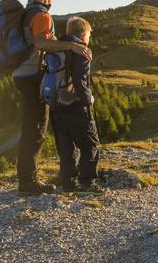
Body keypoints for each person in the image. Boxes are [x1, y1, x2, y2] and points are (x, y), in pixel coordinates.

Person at [13, 0, 92, 195]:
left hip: (22, 74)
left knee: (32, 126)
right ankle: (28, 182)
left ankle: (27, 178)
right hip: (32, 76)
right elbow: (41, 43)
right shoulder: (41, 15)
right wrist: (72, 46)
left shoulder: (26, 12)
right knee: (36, 128)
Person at [50, 16, 102, 194]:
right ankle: (87, 184)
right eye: (88, 35)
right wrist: (89, 100)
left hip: (56, 104)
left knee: (66, 147)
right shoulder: (82, 51)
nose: (88, 39)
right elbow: (80, 82)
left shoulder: (56, 47)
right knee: (89, 144)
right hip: (75, 105)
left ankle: (68, 183)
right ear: (82, 34)